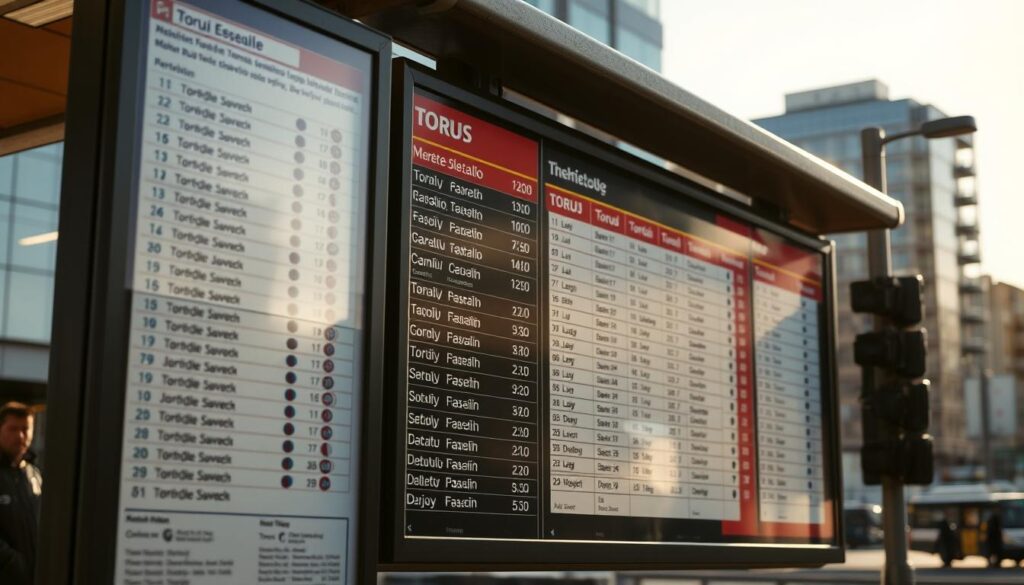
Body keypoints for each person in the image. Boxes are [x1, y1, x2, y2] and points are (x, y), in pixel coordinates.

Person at [0, 402, 41, 585]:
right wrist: (12, 563)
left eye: (26, 429)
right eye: (13, 429)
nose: (20, 436)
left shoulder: (34, 475)